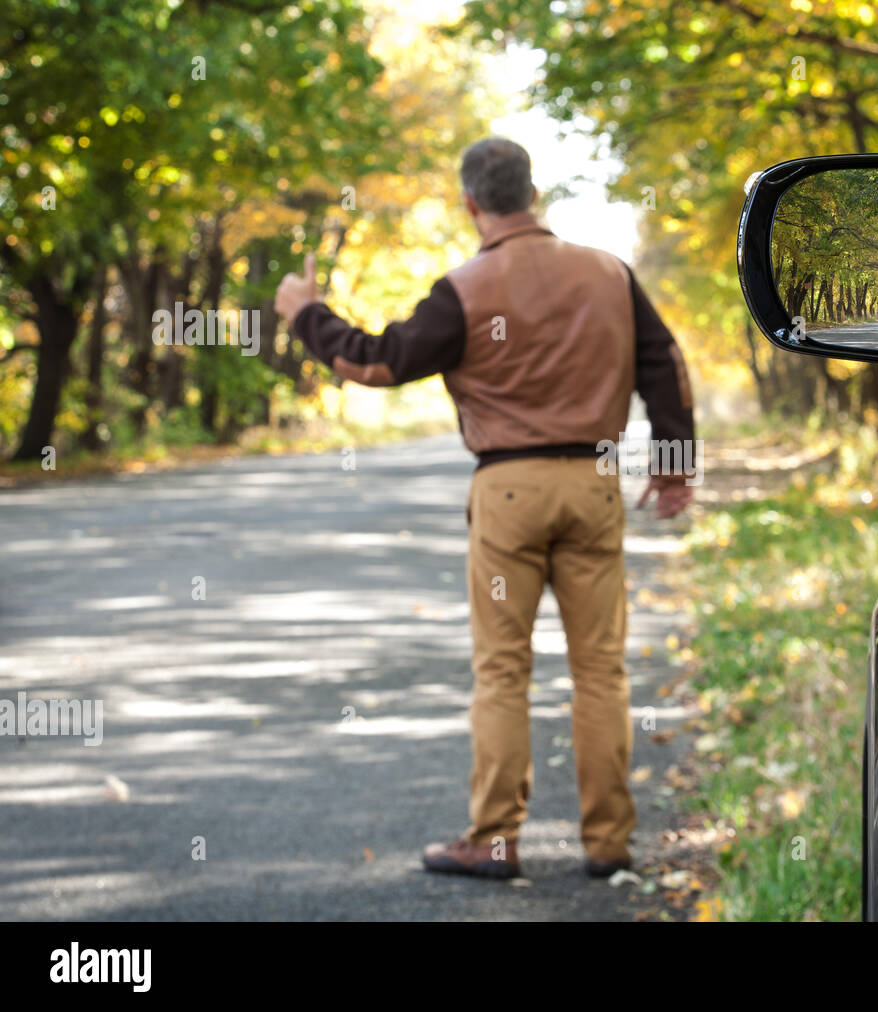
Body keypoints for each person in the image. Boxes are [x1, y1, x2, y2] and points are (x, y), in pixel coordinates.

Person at [272, 137, 696, 880]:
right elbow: (666, 366)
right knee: (601, 671)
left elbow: (379, 360)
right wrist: (673, 470)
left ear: (472, 203)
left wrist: (308, 315)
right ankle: (608, 843)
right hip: (594, 486)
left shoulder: (463, 290)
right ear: (532, 192)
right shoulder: (609, 273)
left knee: (503, 671)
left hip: (507, 494)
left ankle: (495, 841)